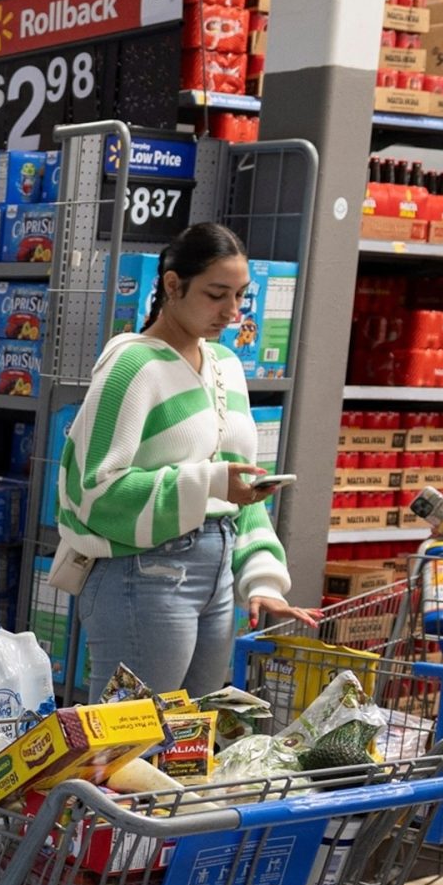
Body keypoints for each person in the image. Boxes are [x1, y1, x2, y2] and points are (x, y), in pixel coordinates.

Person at [53, 222, 313, 696]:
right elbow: (92, 491)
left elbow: (244, 490)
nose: (232, 312)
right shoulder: (132, 366)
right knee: (128, 744)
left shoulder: (227, 368)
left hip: (215, 575)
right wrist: (209, 484)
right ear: (173, 285)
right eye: (217, 295)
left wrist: (262, 578)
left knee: (189, 744)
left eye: (240, 296)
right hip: (142, 574)